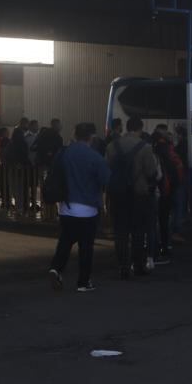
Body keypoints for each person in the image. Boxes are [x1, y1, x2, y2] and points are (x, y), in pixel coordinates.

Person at [49, 122, 111, 292]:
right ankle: (83, 282)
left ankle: (56, 268)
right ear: (91, 137)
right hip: (88, 208)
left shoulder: (64, 153)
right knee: (86, 246)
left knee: (65, 241)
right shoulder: (95, 157)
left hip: (65, 206)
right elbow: (106, 179)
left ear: (74, 135)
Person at [105, 116, 158, 279]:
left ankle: (123, 267)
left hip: (117, 195)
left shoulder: (112, 146)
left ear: (127, 128)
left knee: (121, 233)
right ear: (140, 129)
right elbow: (151, 172)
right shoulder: (145, 147)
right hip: (138, 195)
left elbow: (106, 170)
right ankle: (138, 265)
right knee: (138, 232)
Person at [152, 124, 184, 263]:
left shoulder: (156, 150)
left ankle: (158, 247)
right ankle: (165, 246)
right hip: (169, 188)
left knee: (157, 220)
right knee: (165, 219)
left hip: (160, 189)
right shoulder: (169, 150)